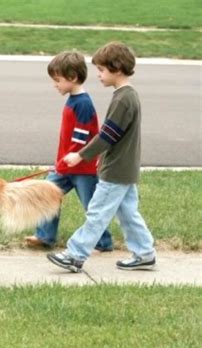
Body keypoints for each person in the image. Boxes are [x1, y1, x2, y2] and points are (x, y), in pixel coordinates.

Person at [47, 42, 156, 272]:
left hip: (116, 170)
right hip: (125, 169)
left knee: (97, 213)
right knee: (128, 213)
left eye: (102, 70)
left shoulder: (123, 99)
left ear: (116, 69)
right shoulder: (126, 96)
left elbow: (108, 135)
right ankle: (145, 253)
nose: (98, 75)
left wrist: (80, 155)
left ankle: (75, 255)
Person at [25, 50, 113, 252]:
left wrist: (66, 161)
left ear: (72, 77)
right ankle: (45, 236)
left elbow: (80, 141)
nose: (54, 84)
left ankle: (103, 241)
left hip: (83, 169)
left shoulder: (83, 103)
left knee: (92, 207)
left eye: (57, 80)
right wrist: (60, 163)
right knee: (47, 195)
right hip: (65, 167)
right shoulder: (73, 100)